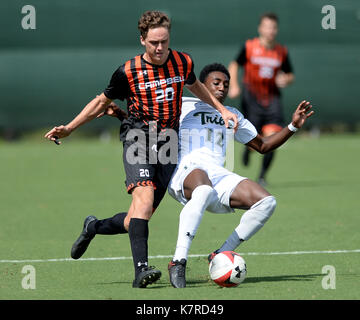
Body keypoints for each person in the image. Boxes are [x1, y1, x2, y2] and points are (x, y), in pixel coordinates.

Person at [44, 11, 238, 288]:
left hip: (169, 143)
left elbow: (196, 87)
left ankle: (93, 226)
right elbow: (100, 102)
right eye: (154, 43)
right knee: (144, 201)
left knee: (136, 218)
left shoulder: (182, 62)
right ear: (142, 40)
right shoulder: (128, 71)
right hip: (138, 139)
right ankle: (141, 272)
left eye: (164, 42)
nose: (160, 48)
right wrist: (70, 127)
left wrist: (221, 110)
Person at [166, 63, 313, 288]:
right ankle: (178, 261)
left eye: (226, 84)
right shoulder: (183, 105)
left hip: (217, 175)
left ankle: (222, 253)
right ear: (201, 86)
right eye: (216, 83)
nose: (222, 88)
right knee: (203, 189)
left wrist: (292, 126)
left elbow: (262, 145)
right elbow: (148, 122)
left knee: (266, 202)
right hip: (187, 170)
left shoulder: (232, 114)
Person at [228, 12, 295, 186]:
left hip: (272, 100)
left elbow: (290, 74)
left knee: (273, 138)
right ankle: (248, 149)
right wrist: (234, 85)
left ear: (276, 30)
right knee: (255, 141)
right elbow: (234, 64)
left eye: (273, 27)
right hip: (251, 100)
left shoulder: (281, 51)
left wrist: (286, 79)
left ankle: (262, 176)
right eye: (267, 26)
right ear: (260, 28)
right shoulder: (250, 47)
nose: (270, 31)